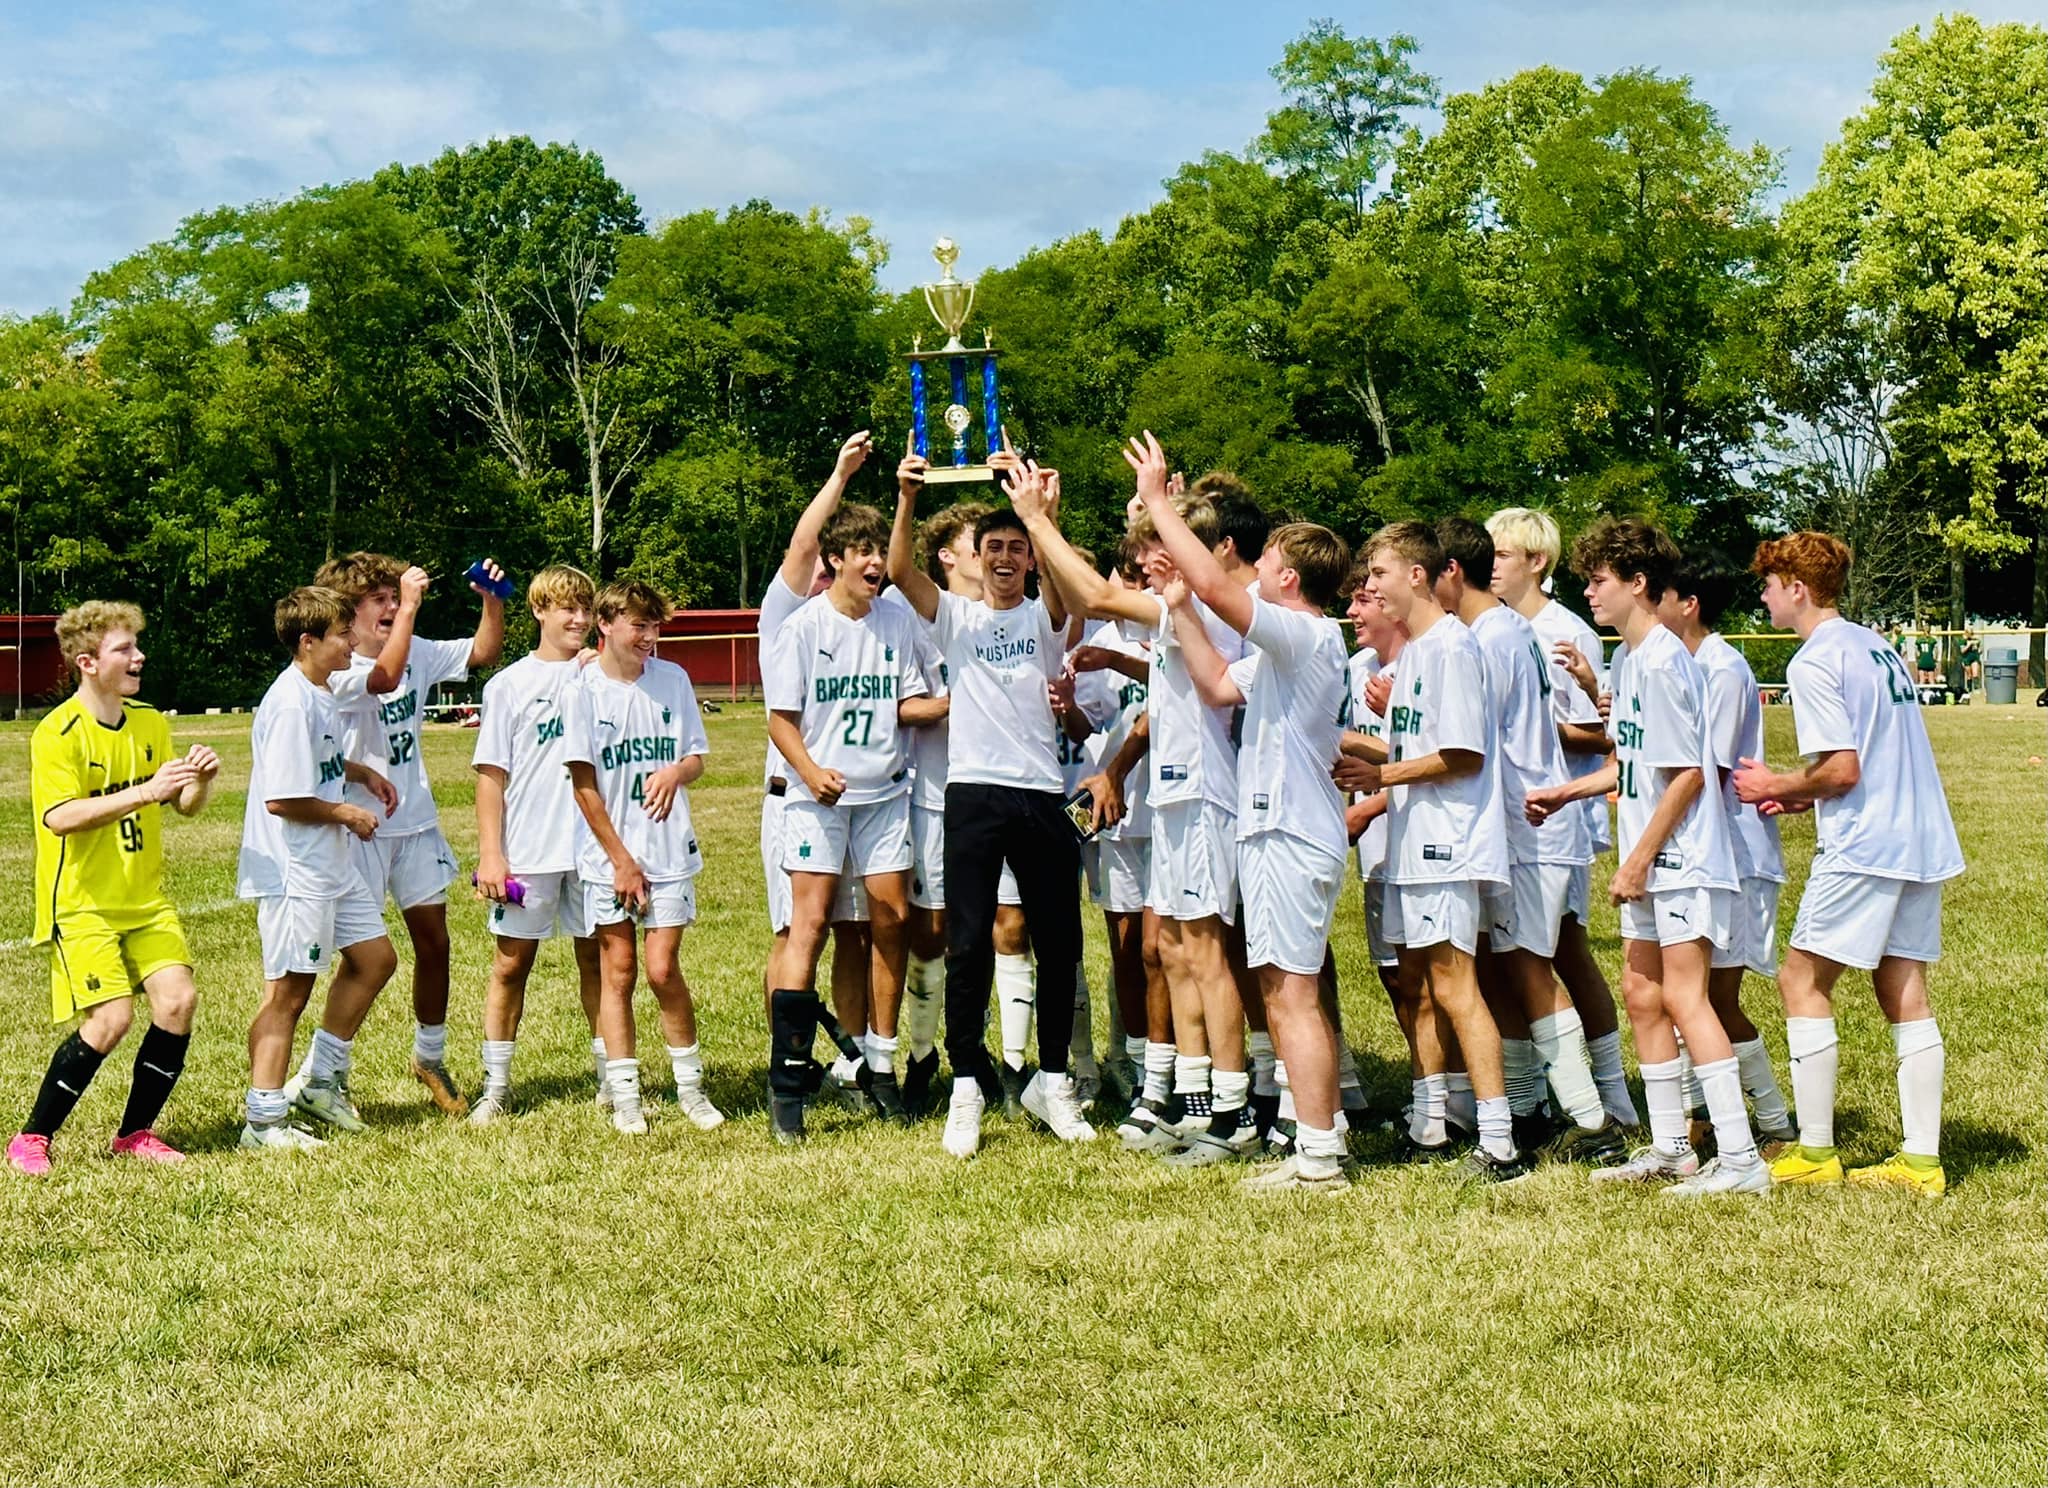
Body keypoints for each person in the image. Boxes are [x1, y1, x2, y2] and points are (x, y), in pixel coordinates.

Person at [1120, 434, 1356, 1192]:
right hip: (1273, 828)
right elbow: (1219, 684)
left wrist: (1160, 502)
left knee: (1290, 994)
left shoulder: (1305, 630)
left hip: (1291, 831)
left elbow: (1230, 599)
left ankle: (1318, 1153)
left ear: (1286, 575)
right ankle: (1315, 1137)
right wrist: (1180, 605)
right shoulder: (1289, 647)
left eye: (1267, 559)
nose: (1254, 567)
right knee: (1285, 992)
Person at [1009, 474, 1248, 1158]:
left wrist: (1038, 521)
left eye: (1154, 547)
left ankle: (1231, 1112)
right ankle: (1187, 1098)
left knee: (1205, 955)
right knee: (1170, 950)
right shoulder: (1181, 606)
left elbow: (1095, 595)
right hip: (1172, 795)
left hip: (1205, 794)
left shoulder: (1208, 606)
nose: (1143, 563)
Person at [1527, 518, 1766, 1196]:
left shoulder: (1663, 660)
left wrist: (1638, 860)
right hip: (1656, 858)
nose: (1588, 592)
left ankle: (1743, 1159)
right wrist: (1569, 791)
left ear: (1637, 582)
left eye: (1599, 580)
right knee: (1642, 994)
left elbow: (1690, 774)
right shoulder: (1632, 660)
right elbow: (1635, 764)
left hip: (1685, 860)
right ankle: (1670, 1148)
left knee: (1688, 998)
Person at [1735, 532, 1963, 1197]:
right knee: (1903, 986)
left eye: (1771, 584)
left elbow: (1842, 768)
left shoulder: (1814, 661)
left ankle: (1815, 1148)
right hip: (1921, 837)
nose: (1764, 594)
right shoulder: (1874, 643)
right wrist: (1805, 795)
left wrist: (1776, 785)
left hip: (1869, 844)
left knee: (1800, 978)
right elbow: (1861, 756)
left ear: (1797, 590)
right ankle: (1922, 1162)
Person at [886, 438, 1094, 1158]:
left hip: (1040, 794)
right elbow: (899, 570)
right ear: (976, 556)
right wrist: (908, 496)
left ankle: (1054, 1079)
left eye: (1016, 547)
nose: (1005, 557)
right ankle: (968, 1082)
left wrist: (1043, 518)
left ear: (1029, 557)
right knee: (968, 941)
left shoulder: (1043, 613)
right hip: (973, 794)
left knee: (1059, 942)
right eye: (993, 547)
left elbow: (1070, 598)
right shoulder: (958, 618)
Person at [1340, 522, 1526, 1181]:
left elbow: (1463, 754)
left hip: (1449, 843)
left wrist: (1381, 778)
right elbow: (1411, 747)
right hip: (1415, 844)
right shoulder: (1415, 651)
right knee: (1418, 983)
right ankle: (1429, 1123)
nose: (1371, 589)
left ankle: (1500, 1143)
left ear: (1417, 575)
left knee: (1455, 985)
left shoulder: (1451, 646)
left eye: (1380, 576)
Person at [9, 603, 221, 1175]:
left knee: (177, 1002)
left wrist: (197, 783)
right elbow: (60, 816)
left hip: (145, 900)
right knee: (111, 1020)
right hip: (83, 906)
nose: (138, 657)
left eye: (135, 646)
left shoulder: (150, 720)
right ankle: (32, 1137)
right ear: (88, 663)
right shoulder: (58, 733)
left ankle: (134, 1134)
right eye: (124, 649)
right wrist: (148, 792)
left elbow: (184, 807)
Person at [1434, 518, 1620, 1163]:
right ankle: (1524, 1107)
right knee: (1506, 967)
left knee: (1534, 970)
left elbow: (1469, 739)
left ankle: (1594, 1120)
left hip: (1533, 823)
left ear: (1451, 572)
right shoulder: (1504, 628)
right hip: (1518, 822)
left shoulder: (1494, 636)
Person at [298, 550, 506, 1115]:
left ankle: (429, 1056)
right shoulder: (337, 668)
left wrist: (490, 602)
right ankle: (322, 1072)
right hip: (356, 829)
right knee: (363, 959)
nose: (392, 607)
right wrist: (413, 606)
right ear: (349, 610)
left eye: (397, 597)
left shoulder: (414, 646)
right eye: (380, 600)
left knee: (435, 943)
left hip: (413, 823)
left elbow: (483, 652)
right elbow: (385, 677)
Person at [764, 503, 943, 1141]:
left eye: (879, 552)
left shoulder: (896, 618)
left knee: (888, 925)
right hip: (819, 801)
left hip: (886, 795)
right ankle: (786, 1080)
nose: (875, 563)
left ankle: (882, 1067)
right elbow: (780, 721)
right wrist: (811, 772)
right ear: (834, 560)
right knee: (808, 927)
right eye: (862, 553)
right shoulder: (804, 628)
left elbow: (908, 702)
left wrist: (963, 697)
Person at [1487, 507, 1637, 1129]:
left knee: (1555, 953)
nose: (1489, 566)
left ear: (1536, 562)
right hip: (1517, 813)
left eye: (1501, 555)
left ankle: (1604, 1099)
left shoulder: (1562, 630)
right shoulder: (1493, 626)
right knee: (1533, 954)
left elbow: (1601, 736)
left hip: (1556, 815)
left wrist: (1525, 726)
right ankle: (1543, 1095)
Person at [237, 587, 400, 1149]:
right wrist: (346, 812)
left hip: (330, 863)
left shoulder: (320, 690)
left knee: (376, 959)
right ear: (308, 642)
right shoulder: (288, 703)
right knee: (288, 993)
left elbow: (322, 757)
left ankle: (320, 1083)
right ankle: (263, 1120)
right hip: (295, 872)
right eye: (341, 634)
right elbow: (282, 799)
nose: (353, 641)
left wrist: (359, 772)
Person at [1654, 550, 1797, 1154]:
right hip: (1710, 852)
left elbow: (1707, 767)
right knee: (1692, 997)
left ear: (1688, 604)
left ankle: (1771, 1121)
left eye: (1659, 595)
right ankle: (1709, 1120)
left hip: (1737, 855)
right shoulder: (1682, 665)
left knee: (1713, 999)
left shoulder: (1722, 667)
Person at [566, 580, 720, 1136]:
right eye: (639, 625)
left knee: (661, 969)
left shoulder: (672, 680)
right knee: (619, 971)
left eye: (655, 626)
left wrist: (676, 771)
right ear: (606, 624)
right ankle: (626, 1093)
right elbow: (583, 787)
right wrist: (620, 860)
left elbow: (696, 756)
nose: (650, 636)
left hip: (668, 850)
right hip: (610, 858)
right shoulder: (582, 690)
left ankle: (691, 1089)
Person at [758, 433, 877, 1103]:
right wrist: (838, 476)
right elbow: (803, 548)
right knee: (797, 931)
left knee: (856, 931)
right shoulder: (788, 613)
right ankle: (790, 1061)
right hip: (793, 795)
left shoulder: (870, 618)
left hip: (862, 795)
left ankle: (851, 1065)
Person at [468, 565, 608, 1122]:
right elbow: (490, 777)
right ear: (539, 612)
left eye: (585, 608)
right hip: (528, 849)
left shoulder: (603, 678)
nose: (578, 618)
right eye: (566, 608)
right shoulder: (508, 686)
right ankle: (496, 1088)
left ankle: (610, 1077)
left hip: (593, 849)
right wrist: (491, 853)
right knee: (510, 966)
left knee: (597, 961)